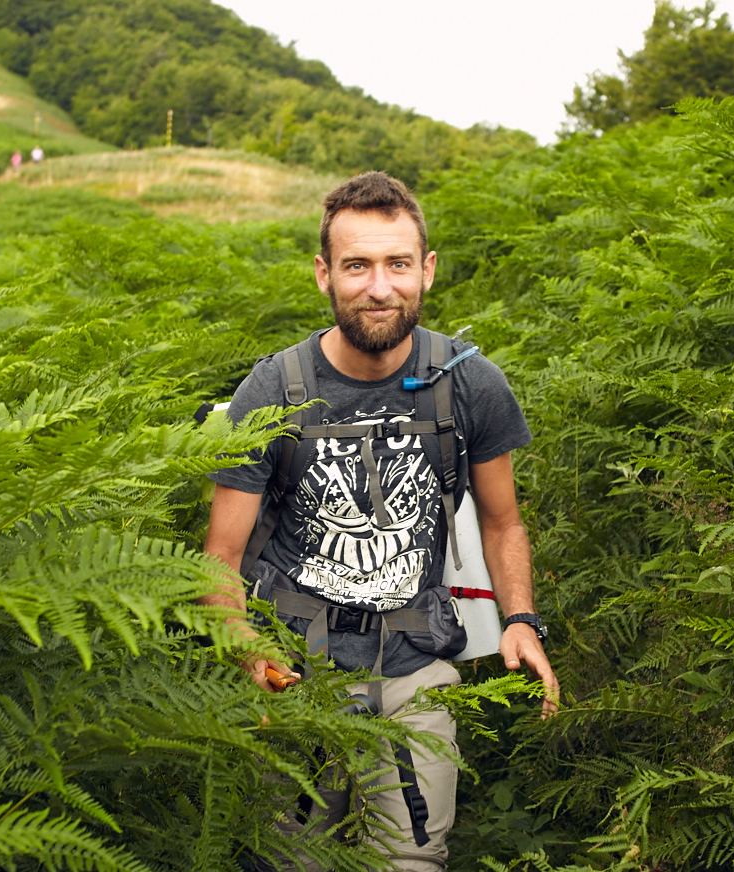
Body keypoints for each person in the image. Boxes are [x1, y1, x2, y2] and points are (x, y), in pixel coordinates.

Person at [201, 171, 560, 872]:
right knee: (285, 861)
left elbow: (503, 523)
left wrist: (522, 621)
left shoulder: (470, 382)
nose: (379, 286)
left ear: (425, 270)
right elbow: (219, 553)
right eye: (356, 265)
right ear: (323, 274)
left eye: (397, 263)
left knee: (414, 861)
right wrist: (248, 650)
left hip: (416, 661)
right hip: (295, 669)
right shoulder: (273, 389)